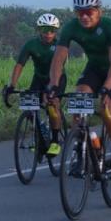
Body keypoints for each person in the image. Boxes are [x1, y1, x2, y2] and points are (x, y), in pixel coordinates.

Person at [47, 0, 111, 166]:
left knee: (107, 112)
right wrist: (53, 85)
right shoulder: (71, 27)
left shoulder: (110, 26)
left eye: (89, 12)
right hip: (94, 68)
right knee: (79, 104)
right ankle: (83, 148)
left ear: (99, 11)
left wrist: (106, 88)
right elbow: (58, 59)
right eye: (79, 12)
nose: (84, 16)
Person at [5, 13, 66, 156]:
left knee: (51, 103)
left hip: (57, 78)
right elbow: (19, 65)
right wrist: (11, 86)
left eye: (52, 30)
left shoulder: (59, 45)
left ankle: (55, 141)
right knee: (29, 106)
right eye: (45, 29)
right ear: (39, 30)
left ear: (56, 31)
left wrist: (50, 89)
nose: (48, 33)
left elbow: (58, 68)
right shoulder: (31, 45)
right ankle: (42, 132)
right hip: (39, 78)